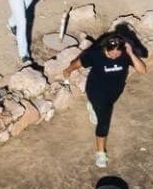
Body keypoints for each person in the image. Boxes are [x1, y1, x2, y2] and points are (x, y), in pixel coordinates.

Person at [63, 32, 147, 168]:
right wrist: (69, 69)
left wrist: (131, 54)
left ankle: (93, 108)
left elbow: (143, 70)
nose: (114, 56)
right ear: (105, 48)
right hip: (97, 91)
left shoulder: (125, 54)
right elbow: (79, 62)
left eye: (117, 54)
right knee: (103, 123)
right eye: (111, 53)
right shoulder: (96, 54)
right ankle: (100, 154)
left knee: (104, 108)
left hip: (114, 92)